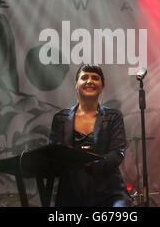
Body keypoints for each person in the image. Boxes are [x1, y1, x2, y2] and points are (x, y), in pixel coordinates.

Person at [49, 64, 132, 207]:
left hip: (109, 190)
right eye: (84, 77)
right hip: (71, 190)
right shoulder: (60, 118)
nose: (89, 81)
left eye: (95, 78)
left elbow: (117, 153)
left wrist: (90, 163)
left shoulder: (113, 116)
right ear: (76, 85)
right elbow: (54, 155)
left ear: (102, 87)